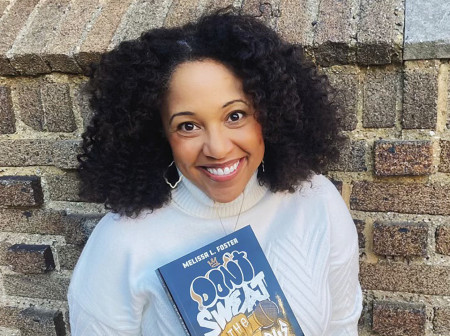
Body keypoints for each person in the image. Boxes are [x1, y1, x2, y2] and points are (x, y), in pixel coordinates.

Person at [68, 10, 362, 336]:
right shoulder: (120, 245)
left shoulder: (316, 202)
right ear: (160, 134)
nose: (218, 148)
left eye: (235, 115)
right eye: (188, 126)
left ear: (270, 113)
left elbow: (341, 326)